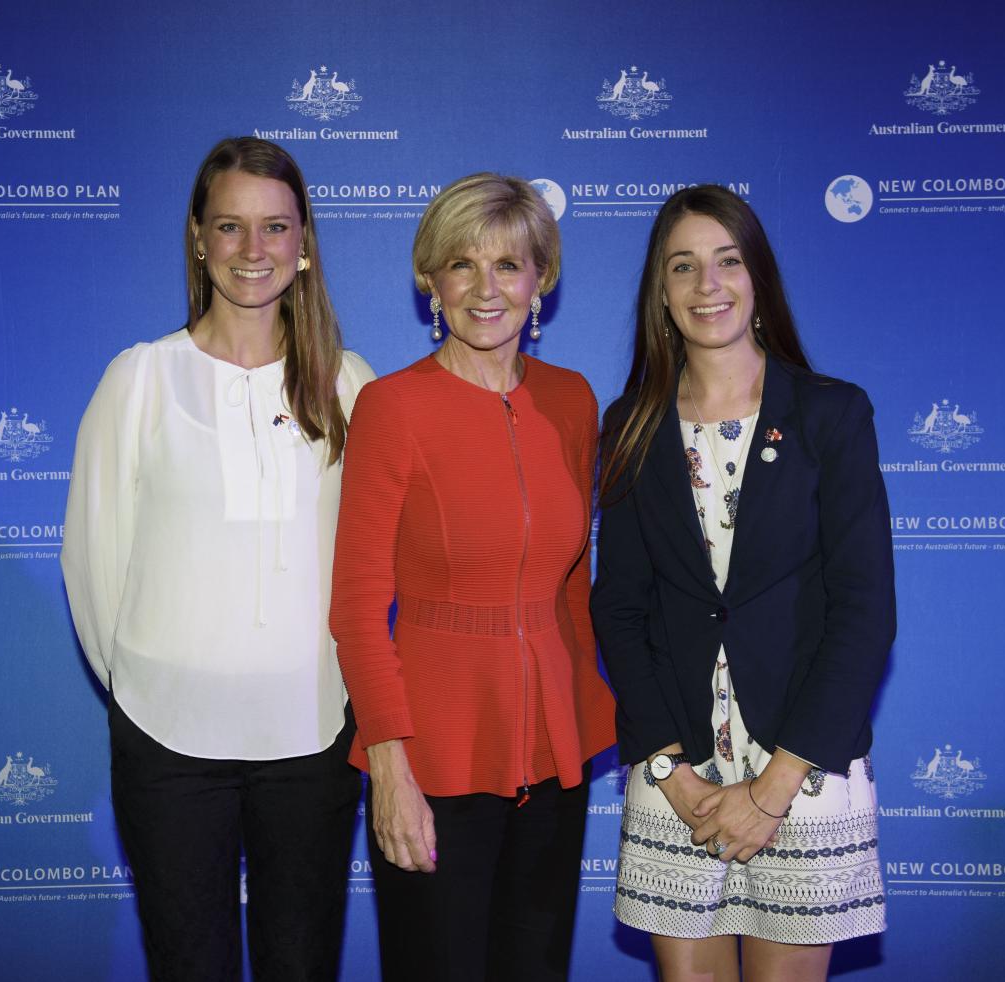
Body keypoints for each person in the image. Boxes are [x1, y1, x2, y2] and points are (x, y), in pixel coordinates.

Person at [61, 137, 374, 982]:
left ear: (303, 244)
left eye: (274, 228)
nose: (252, 250)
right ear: (199, 239)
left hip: (313, 740)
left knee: (301, 963)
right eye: (230, 226)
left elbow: (370, 570)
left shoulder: (349, 387)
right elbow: (92, 570)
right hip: (169, 745)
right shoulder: (139, 380)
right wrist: (148, 687)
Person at [591, 185, 893, 981]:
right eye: (682, 267)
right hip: (676, 774)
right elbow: (620, 608)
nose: (706, 285)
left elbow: (865, 612)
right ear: (661, 292)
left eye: (726, 262)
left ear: (757, 277)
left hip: (804, 766)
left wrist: (772, 789)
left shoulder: (832, 415)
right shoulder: (630, 427)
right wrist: (672, 772)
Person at [329, 172, 616, 982]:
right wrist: (389, 767)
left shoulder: (572, 400)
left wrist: (594, 712)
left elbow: (573, 584)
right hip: (435, 749)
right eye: (461, 266)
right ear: (431, 282)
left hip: (556, 749)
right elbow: (356, 607)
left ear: (541, 280)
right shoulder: (394, 408)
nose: (485, 290)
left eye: (509, 266)